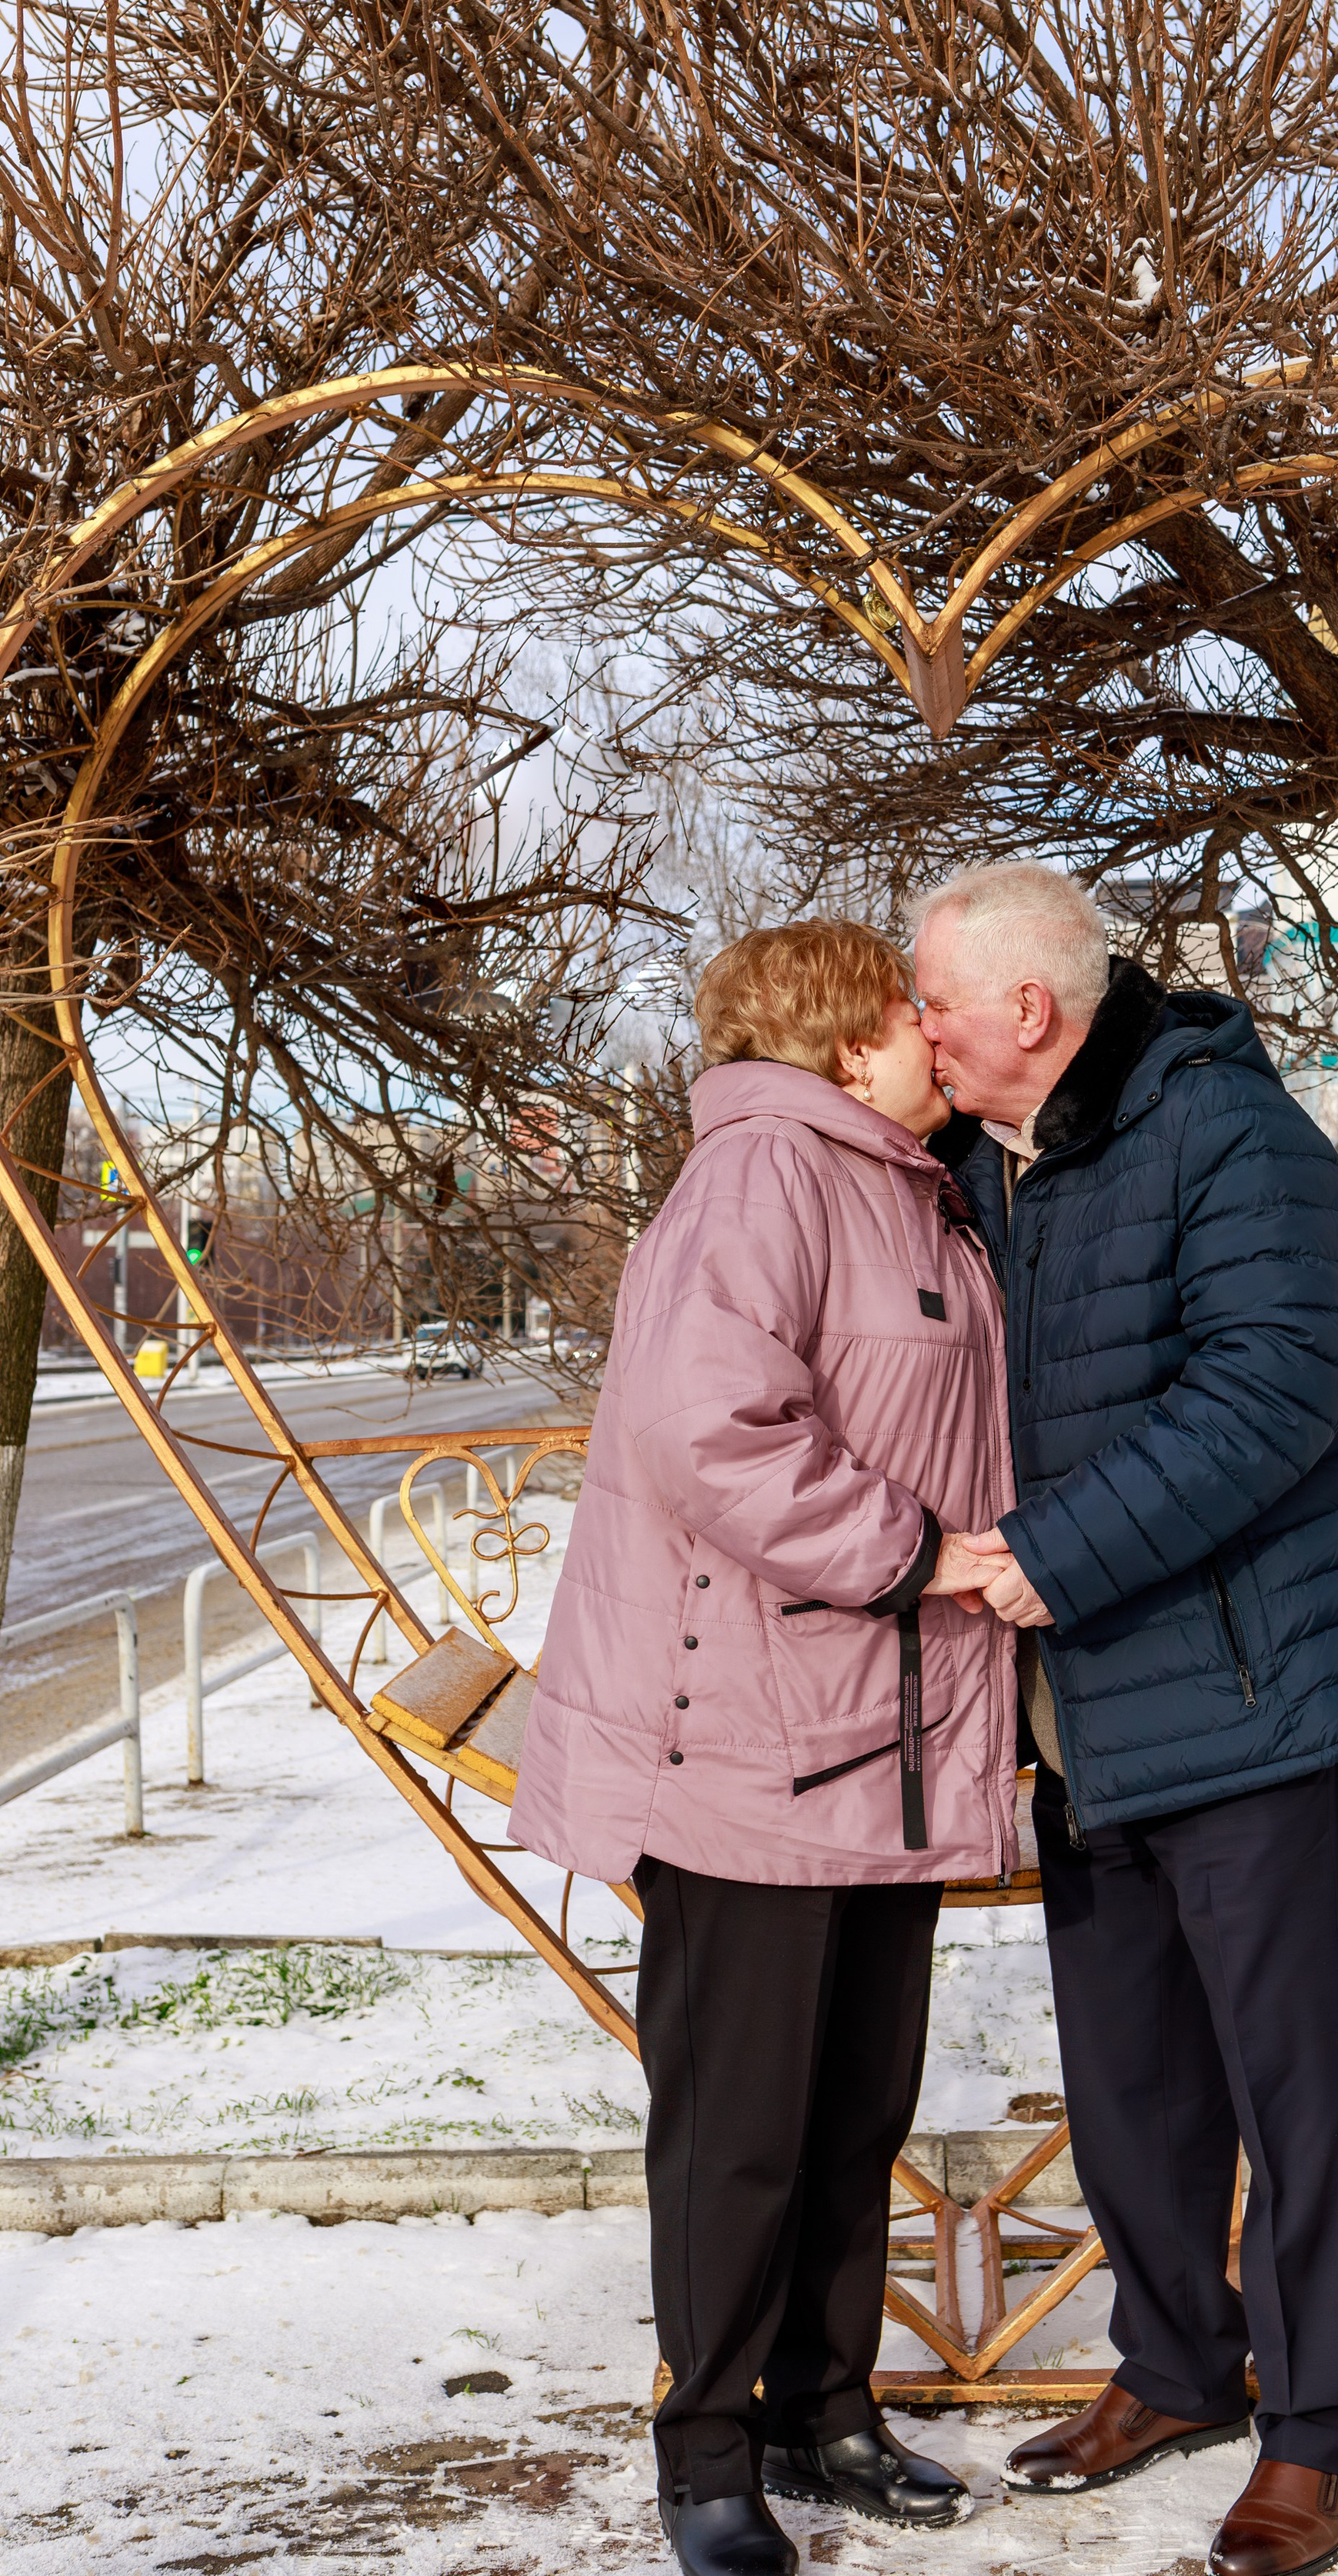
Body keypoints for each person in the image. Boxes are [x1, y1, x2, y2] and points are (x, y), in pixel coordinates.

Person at [916, 862, 1338, 2576]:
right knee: (1127, 2075)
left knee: (1291, 2086)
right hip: (1085, 1712)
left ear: (1029, 1016)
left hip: (1245, 1690)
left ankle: (1316, 2429)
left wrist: (1049, 1555)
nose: (918, 1030)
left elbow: (1269, 1394)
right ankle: (1174, 2370)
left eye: (934, 1003)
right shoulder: (993, 1165)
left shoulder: (1230, 1137)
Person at [509, 921, 1015, 2576]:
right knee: (735, 2123)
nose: (931, 1037)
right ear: (837, 1035)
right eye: (905, 1011)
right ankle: (705, 2447)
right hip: (742, 1738)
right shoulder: (761, 1178)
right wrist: (919, 1550)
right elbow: (706, 1428)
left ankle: (826, 2407)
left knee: (853, 2105)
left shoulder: (898, 1184)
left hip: (885, 1732)